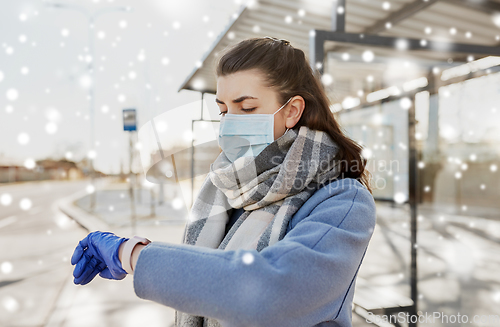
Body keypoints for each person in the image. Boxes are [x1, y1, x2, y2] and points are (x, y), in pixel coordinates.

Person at [71, 36, 377, 327]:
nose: (230, 122)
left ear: (292, 111)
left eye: (247, 108)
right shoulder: (223, 187)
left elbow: (268, 292)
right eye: (223, 110)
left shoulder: (343, 200)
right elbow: (210, 281)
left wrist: (132, 254)